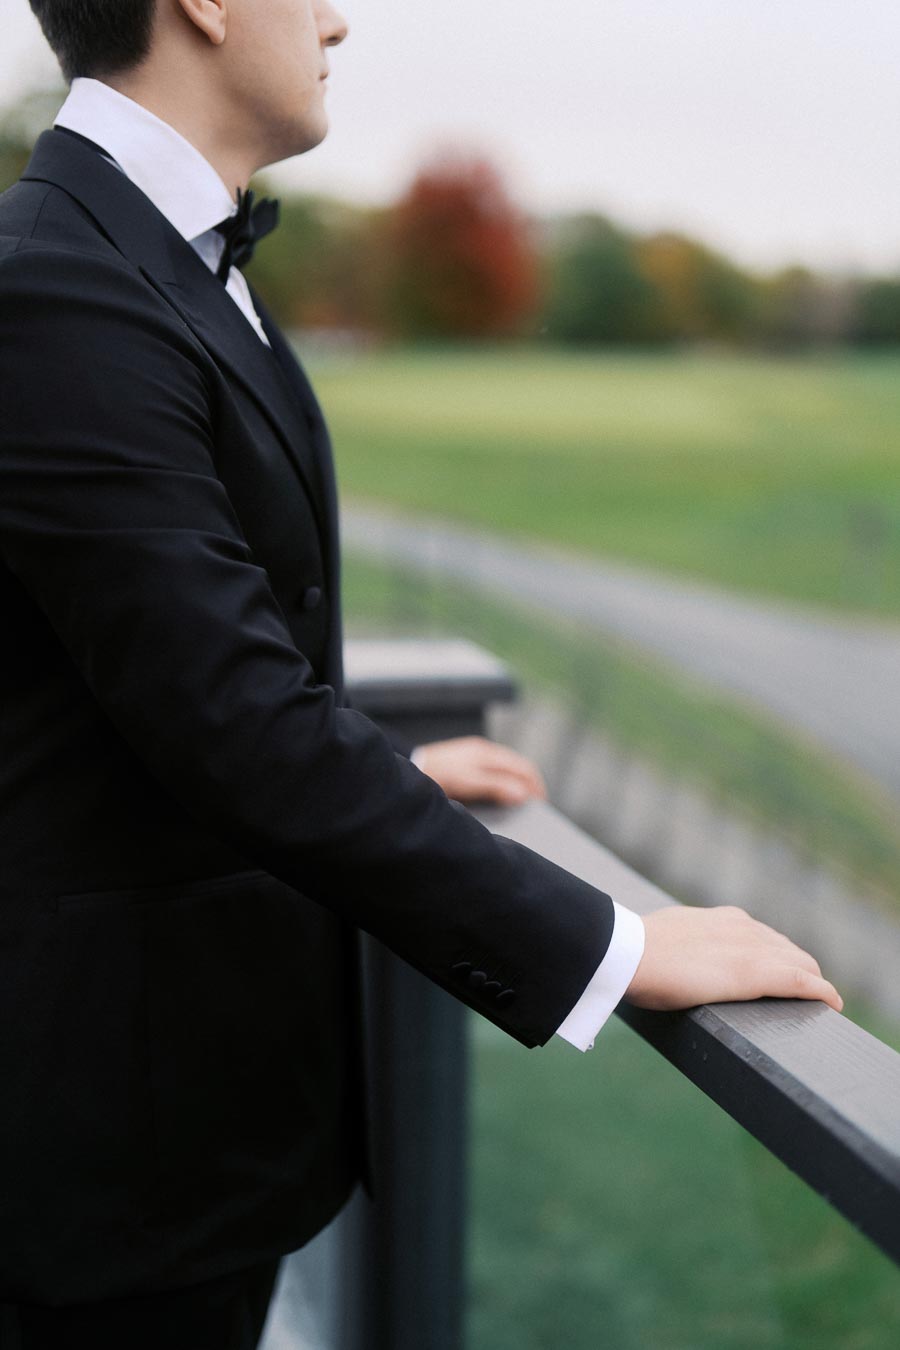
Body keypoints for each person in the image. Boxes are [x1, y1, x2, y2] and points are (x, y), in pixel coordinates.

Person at [0, 1, 842, 1345]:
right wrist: (613, 944)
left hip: (192, 1156)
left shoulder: (149, 253)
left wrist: (382, 761)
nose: (339, 20)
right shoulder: (56, 284)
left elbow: (159, 663)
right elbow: (232, 719)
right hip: (104, 1171)